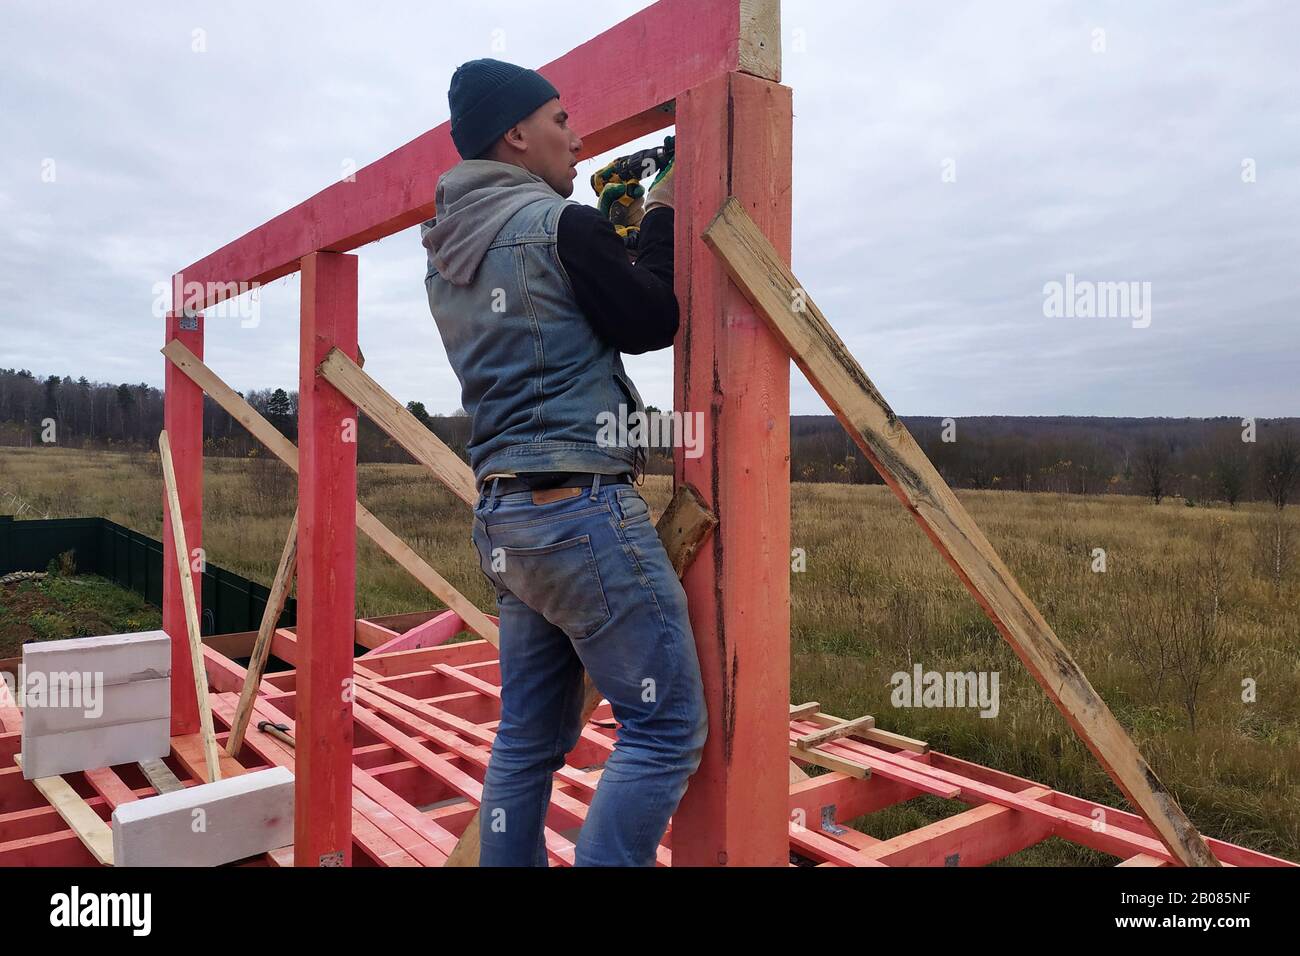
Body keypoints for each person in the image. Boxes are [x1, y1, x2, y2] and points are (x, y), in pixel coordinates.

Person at [420, 57, 708, 867]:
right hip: (579, 510)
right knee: (664, 727)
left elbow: (560, 312)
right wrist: (656, 214)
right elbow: (651, 317)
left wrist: (607, 234)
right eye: (560, 122)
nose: (576, 138)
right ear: (515, 134)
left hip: (507, 517)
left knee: (525, 743)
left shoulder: (448, 255)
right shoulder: (562, 226)